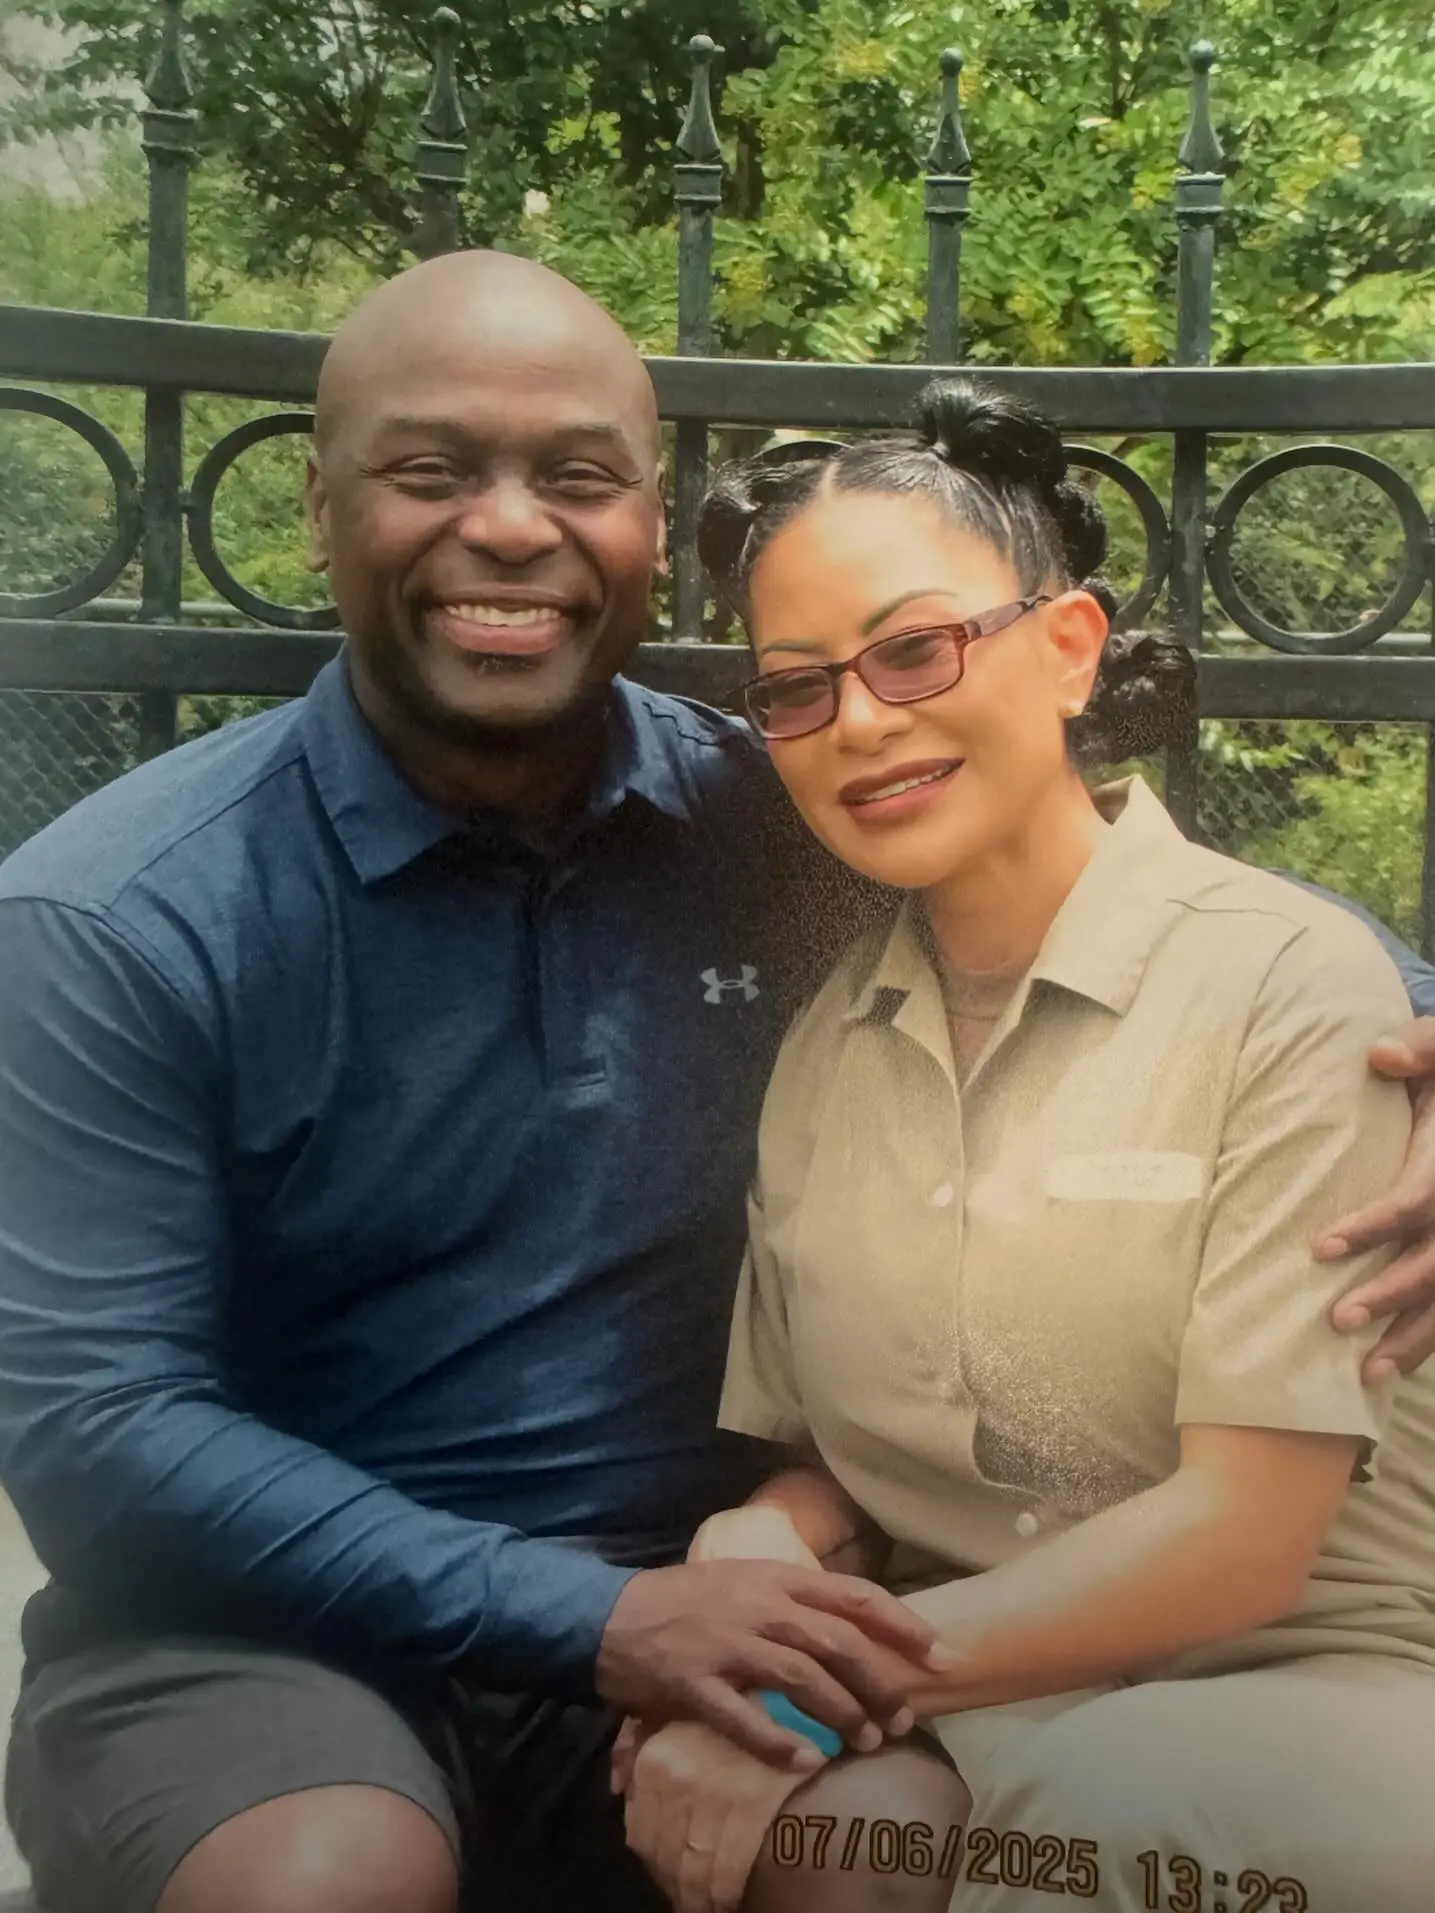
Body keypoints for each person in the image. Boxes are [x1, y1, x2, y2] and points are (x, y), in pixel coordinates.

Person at [0, 251, 1431, 1913]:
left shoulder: (775, 820)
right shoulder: (116, 917)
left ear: (648, 527)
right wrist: (603, 1624)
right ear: (316, 510)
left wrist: (1410, 1027)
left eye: (579, 478)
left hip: (728, 1601)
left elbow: (1139, 912)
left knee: (869, 1864)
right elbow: (98, 1427)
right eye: (429, 471)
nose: (514, 526)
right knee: (328, 1882)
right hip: (274, 1646)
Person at [615, 382, 1435, 1913]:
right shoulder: (825, 1048)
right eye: (797, 688)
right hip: (998, 1700)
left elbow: (1244, 1542)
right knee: (830, 1851)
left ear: (1066, 649)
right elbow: (823, 1459)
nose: (859, 719)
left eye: (915, 648)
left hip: (1329, 1692)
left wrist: (800, 1699)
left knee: (1086, 1821)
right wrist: (747, 1568)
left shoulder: (1286, 986)